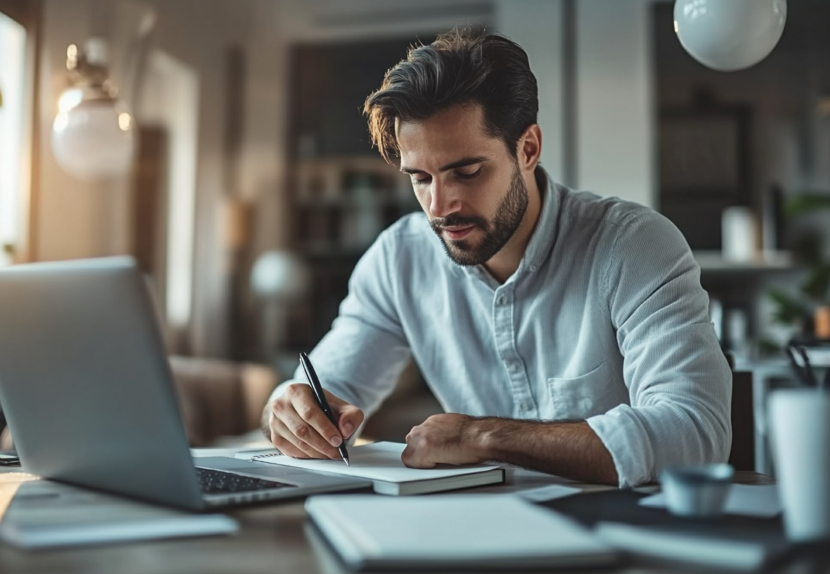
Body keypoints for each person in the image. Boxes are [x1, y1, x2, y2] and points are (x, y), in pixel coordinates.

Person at [261, 28, 731, 487]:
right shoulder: (398, 260)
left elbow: (695, 433)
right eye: (420, 178)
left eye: (465, 172)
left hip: (621, 539)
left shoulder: (635, 246)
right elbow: (321, 390)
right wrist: (288, 410)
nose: (439, 207)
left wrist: (482, 435)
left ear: (527, 149)